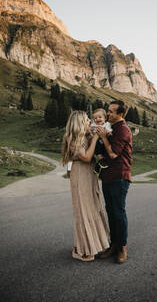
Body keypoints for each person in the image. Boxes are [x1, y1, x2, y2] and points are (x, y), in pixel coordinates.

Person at [62, 110, 109, 261]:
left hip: (88, 174)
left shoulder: (83, 136)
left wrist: (95, 135)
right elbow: (87, 157)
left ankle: (91, 247)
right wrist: (95, 137)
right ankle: (87, 250)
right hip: (81, 174)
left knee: (91, 207)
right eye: (87, 120)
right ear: (80, 123)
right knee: (83, 210)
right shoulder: (74, 139)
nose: (90, 122)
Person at [96, 100, 132, 264]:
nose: (108, 114)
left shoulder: (123, 130)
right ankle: (114, 245)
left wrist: (104, 137)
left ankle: (122, 247)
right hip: (108, 176)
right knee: (110, 211)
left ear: (121, 114)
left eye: (111, 112)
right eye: (108, 111)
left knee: (118, 212)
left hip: (119, 176)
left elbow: (113, 154)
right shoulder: (111, 128)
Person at [90, 108, 112, 174]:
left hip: (105, 143)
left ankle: (99, 165)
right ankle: (100, 158)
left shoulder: (107, 124)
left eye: (100, 117)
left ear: (105, 118)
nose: (97, 119)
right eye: (95, 118)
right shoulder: (94, 125)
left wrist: (109, 132)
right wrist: (92, 130)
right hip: (98, 142)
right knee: (96, 145)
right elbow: (91, 130)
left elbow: (109, 131)